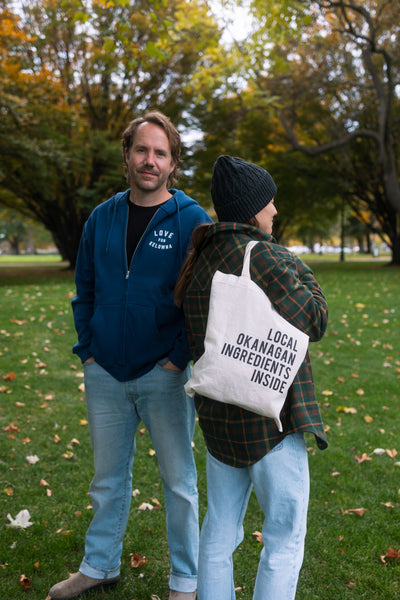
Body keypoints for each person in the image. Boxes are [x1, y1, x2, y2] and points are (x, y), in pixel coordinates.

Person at [48, 111, 212, 600]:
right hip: (106, 372)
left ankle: (185, 580)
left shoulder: (192, 220)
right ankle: (99, 565)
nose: (150, 160)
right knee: (106, 480)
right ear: (127, 155)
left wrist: (177, 358)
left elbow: (201, 297)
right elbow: (86, 286)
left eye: (160, 153)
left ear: (173, 163)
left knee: (179, 483)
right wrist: (88, 349)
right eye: (142, 150)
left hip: (164, 374)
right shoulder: (102, 216)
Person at [174, 155, 329, 600]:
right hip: (269, 422)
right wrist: (299, 267)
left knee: (220, 532)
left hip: (220, 422)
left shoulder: (201, 257)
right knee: (283, 537)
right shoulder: (265, 257)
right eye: (270, 203)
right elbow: (315, 319)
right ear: (251, 208)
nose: (275, 211)